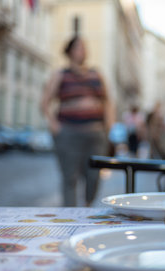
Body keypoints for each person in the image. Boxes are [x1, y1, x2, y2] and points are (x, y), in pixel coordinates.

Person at [40, 35, 115, 207]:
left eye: (84, 46)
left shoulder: (97, 74)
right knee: (69, 178)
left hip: (95, 133)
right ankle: (71, 217)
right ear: (69, 51)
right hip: (68, 133)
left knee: (94, 176)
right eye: (79, 47)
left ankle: (87, 208)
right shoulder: (60, 74)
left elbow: (108, 101)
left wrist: (108, 127)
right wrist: (54, 125)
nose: (83, 50)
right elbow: (45, 102)